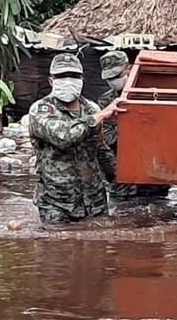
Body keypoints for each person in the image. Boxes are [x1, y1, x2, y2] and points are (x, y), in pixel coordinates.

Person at [29, 53, 118, 224]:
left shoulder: (91, 108)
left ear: (82, 79)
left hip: (95, 201)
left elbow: (100, 148)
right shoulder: (41, 110)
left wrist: (119, 178)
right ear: (51, 80)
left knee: (102, 248)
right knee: (61, 248)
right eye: (62, 76)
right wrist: (100, 116)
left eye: (74, 76)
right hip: (58, 203)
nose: (68, 80)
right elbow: (65, 136)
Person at [97, 50, 171, 200]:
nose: (113, 81)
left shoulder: (150, 95)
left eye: (116, 76)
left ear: (128, 69)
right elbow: (106, 137)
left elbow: (164, 134)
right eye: (109, 78)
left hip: (153, 175)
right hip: (122, 176)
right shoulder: (105, 102)